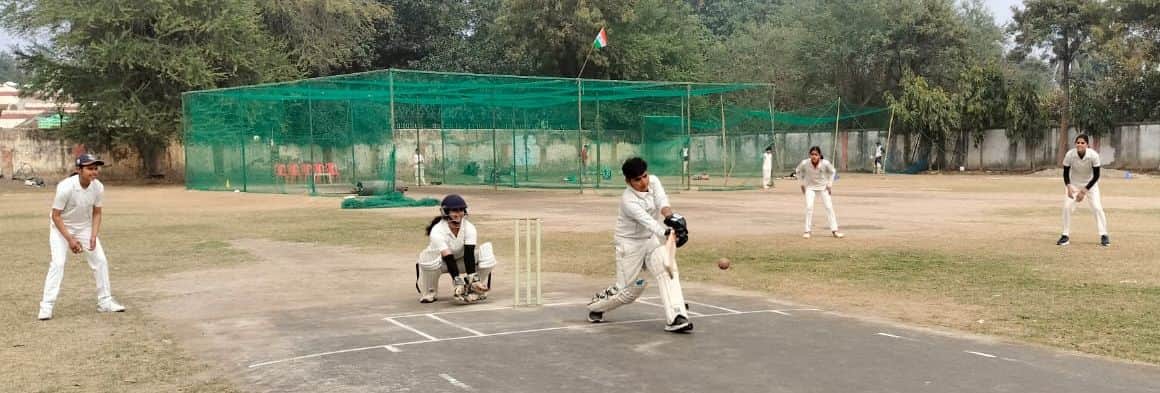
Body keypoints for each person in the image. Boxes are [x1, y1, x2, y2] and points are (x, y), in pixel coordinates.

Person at [586, 157, 693, 332]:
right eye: (637, 179)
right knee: (629, 292)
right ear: (628, 181)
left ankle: (676, 316)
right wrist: (668, 233)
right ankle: (596, 307)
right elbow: (647, 222)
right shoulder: (628, 200)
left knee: (668, 269)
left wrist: (672, 218)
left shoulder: (654, 181)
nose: (643, 182)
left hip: (649, 240)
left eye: (645, 176)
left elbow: (662, 202)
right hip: (629, 245)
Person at [38, 153, 126, 320]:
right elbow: (56, 216)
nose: (94, 172)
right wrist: (70, 239)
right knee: (58, 263)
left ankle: (105, 301)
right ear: (79, 170)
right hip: (61, 227)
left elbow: (97, 212)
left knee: (100, 260)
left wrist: (93, 235)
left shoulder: (98, 187)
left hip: (84, 227)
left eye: (95, 168)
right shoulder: (66, 187)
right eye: (89, 168)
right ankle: (46, 306)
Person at [415, 194, 497, 303]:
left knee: (487, 253)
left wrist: (473, 278)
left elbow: (469, 254)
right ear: (446, 212)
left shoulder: (469, 227)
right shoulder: (437, 231)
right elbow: (448, 257)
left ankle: (474, 288)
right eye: (454, 210)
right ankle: (430, 292)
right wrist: (457, 281)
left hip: (461, 261)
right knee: (427, 258)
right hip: (441, 264)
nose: (458, 213)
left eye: (461, 210)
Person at [1057, 135, 1109, 247]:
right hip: (1074, 185)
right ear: (1075, 144)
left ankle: (1104, 235)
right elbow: (1065, 173)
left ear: (1087, 145)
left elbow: (1096, 176)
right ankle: (1065, 235)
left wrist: (1084, 191)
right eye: (1078, 142)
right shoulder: (1070, 154)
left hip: (1090, 185)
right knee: (1067, 207)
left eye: (1082, 143)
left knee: (1097, 208)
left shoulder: (1093, 155)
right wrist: (1068, 187)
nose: (1080, 145)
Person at [796, 146, 844, 239]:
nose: (814, 156)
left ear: (819, 155)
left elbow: (833, 172)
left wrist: (829, 185)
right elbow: (797, 171)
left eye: (816, 154)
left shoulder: (825, 163)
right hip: (810, 187)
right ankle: (807, 231)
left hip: (823, 187)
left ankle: (835, 231)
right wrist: (801, 183)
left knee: (829, 207)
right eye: (812, 154)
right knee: (809, 207)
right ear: (809, 155)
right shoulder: (805, 163)